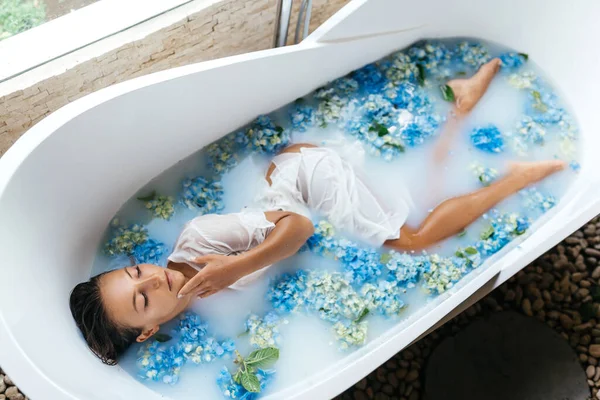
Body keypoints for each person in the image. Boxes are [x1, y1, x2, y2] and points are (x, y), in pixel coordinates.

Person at [69, 58, 566, 364]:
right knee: (421, 194)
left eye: (138, 272)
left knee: (412, 239)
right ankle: (462, 103)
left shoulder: (202, 239)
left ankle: (516, 176)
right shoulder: (194, 311)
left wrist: (233, 268)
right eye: (142, 299)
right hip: (295, 192)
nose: (153, 280)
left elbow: (301, 228)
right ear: (151, 329)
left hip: (306, 178)